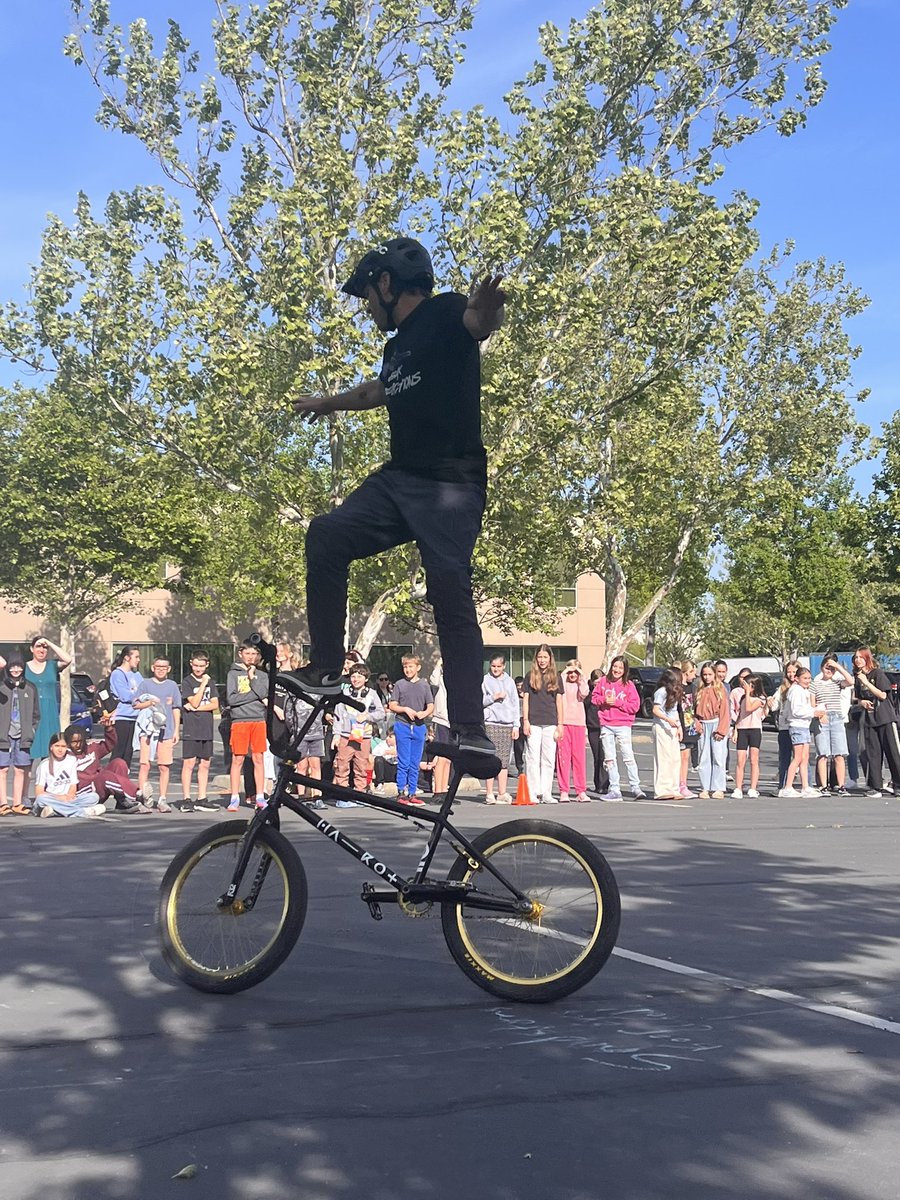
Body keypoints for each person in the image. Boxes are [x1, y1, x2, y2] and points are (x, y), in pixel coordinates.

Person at [291, 238, 505, 761]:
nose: (367, 308)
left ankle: (471, 730)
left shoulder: (446, 311)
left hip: (452, 482)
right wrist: (326, 403)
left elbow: (476, 323)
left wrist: (487, 312)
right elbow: (376, 392)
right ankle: (326, 668)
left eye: (368, 295)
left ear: (387, 284)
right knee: (326, 534)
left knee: (449, 586)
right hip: (401, 480)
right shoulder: (396, 349)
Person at [64, 720, 150, 813]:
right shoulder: (66, 757)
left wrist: (108, 729)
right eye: (74, 742)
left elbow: (110, 744)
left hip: (100, 787)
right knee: (105, 776)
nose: (78, 745)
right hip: (86, 794)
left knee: (119, 763)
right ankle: (137, 794)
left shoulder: (91, 748)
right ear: (68, 743)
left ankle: (122, 802)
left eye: (81, 741)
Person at [332, 663, 385, 806]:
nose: (356, 679)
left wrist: (367, 716)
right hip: (346, 735)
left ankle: (360, 794)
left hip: (364, 736)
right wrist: (336, 735)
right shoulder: (344, 694)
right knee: (342, 765)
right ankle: (342, 796)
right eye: (353, 676)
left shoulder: (372, 694)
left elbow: (381, 713)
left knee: (361, 766)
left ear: (366, 678)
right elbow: (338, 715)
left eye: (359, 676)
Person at [592, 657, 643, 802]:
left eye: (621, 668)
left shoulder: (629, 685)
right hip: (606, 724)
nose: (617, 670)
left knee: (628, 756)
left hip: (623, 725)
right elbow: (594, 698)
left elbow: (635, 706)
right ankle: (614, 789)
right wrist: (604, 700)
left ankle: (635, 787)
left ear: (625, 670)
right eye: (615, 666)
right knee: (609, 758)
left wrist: (618, 702)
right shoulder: (603, 682)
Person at [226, 640, 269, 812]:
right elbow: (232, 699)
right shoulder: (233, 674)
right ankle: (234, 797)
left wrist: (252, 679)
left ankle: (260, 796)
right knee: (238, 759)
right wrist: (255, 695)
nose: (251, 657)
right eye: (247, 653)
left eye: (254, 654)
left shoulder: (262, 675)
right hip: (240, 720)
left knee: (258, 758)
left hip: (258, 720)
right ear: (240, 654)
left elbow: (264, 693)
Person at [852, 647, 900, 797]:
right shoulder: (858, 677)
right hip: (869, 719)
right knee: (873, 753)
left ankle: (898, 784)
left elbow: (883, 695)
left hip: (885, 718)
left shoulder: (877, 674)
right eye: (856, 657)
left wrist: (866, 682)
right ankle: (875, 786)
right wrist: (861, 702)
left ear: (867, 658)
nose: (858, 660)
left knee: (892, 752)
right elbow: (857, 698)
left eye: (861, 657)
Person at [136, 657, 182, 812]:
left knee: (164, 766)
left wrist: (176, 730)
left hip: (166, 732)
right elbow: (135, 704)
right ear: (152, 667)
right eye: (158, 666)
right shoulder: (145, 684)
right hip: (148, 732)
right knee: (145, 764)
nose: (161, 669)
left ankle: (162, 799)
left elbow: (176, 708)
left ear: (169, 669)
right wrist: (149, 703)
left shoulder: (172, 686)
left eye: (164, 667)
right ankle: (143, 796)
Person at [388, 654, 434, 805]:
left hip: (419, 726)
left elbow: (430, 706)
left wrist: (424, 713)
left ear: (418, 667)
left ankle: (412, 792)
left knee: (415, 762)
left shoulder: (424, 685)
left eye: (411, 666)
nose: (408, 670)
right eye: (405, 667)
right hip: (403, 725)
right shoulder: (400, 684)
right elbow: (392, 705)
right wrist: (405, 709)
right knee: (404, 761)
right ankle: (401, 792)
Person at [179, 652, 221, 813]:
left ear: (207, 665)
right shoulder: (187, 682)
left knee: (205, 763)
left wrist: (197, 708)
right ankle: (186, 799)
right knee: (189, 763)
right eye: (196, 665)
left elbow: (214, 704)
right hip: (192, 728)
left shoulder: (211, 682)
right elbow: (194, 701)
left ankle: (201, 798)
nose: (198, 669)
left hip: (206, 727)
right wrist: (203, 684)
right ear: (191, 663)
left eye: (201, 666)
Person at [521, 645, 564, 803]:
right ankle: (533, 792)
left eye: (545, 657)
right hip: (533, 722)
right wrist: (525, 721)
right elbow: (526, 699)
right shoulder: (530, 676)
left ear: (550, 658)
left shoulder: (556, 677)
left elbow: (559, 701)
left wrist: (560, 724)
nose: (542, 660)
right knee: (532, 757)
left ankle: (546, 792)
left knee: (548, 758)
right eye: (540, 657)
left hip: (550, 722)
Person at [21, 636, 72, 764]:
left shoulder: (52, 665)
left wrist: (49, 642)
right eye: (38, 646)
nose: (42, 649)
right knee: (27, 756)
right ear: (32, 649)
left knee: (50, 754)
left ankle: (48, 777)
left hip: (50, 713)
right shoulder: (24, 667)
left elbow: (68, 659)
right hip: (30, 713)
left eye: (45, 647)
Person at [0, 653, 40, 814]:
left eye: (19, 666)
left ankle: (17, 803)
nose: (15, 670)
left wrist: (31, 730)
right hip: (4, 735)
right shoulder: (1, 686)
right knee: (2, 769)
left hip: (23, 736)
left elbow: (36, 714)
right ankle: (3, 803)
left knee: (20, 769)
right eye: (12, 666)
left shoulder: (30, 687)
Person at [33, 732, 105, 818]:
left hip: (68, 799)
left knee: (94, 797)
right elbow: (39, 792)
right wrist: (59, 798)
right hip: (52, 799)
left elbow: (73, 784)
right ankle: (81, 812)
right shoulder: (44, 765)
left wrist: (69, 796)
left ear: (67, 747)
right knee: (41, 799)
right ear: (51, 747)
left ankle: (55, 811)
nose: (60, 750)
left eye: (63, 746)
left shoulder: (71, 760)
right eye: (57, 746)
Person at [780, 667, 826, 798]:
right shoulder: (795, 691)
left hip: (804, 726)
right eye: (805, 678)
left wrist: (817, 709)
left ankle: (806, 787)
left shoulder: (803, 691)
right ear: (797, 679)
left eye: (809, 678)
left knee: (804, 758)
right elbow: (796, 711)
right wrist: (813, 712)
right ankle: (787, 787)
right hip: (797, 726)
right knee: (798, 757)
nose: (808, 681)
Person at [812, 655, 854, 796]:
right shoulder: (815, 683)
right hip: (822, 718)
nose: (829, 670)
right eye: (827, 667)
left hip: (836, 718)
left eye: (831, 668)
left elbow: (850, 681)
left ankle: (841, 786)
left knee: (839, 754)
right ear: (821, 668)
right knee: (823, 754)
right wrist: (820, 713)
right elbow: (812, 703)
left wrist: (837, 666)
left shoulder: (837, 683)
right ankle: (823, 786)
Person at [481, 654, 520, 804]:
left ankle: (502, 792)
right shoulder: (485, 680)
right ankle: (489, 793)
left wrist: (516, 725)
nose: (496, 669)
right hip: (491, 723)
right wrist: (493, 697)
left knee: (504, 760)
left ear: (504, 666)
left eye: (499, 666)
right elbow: (479, 700)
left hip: (507, 724)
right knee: (490, 758)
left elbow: (515, 704)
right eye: (493, 666)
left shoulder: (509, 682)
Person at [554, 660, 590, 803]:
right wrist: (565, 672)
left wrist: (581, 676)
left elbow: (585, 692)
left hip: (579, 724)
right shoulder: (563, 683)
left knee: (579, 758)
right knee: (563, 758)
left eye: (576, 672)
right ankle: (564, 790)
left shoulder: (581, 684)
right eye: (571, 671)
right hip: (564, 723)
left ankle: (581, 791)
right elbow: (558, 687)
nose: (573, 674)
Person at [693, 662, 729, 799]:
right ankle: (705, 787)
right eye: (704, 674)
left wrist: (721, 730)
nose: (707, 677)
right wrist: (697, 722)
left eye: (709, 674)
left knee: (718, 757)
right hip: (703, 725)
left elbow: (725, 711)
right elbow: (695, 710)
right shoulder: (700, 689)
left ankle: (718, 787)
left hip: (716, 723)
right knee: (704, 757)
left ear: (714, 674)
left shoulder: (720, 690)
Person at [730, 673, 767, 799]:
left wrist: (747, 693)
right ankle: (738, 788)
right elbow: (740, 714)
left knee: (753, 759)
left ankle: (753, 788)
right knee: (740, 760)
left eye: (747, 685)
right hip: (742, 729)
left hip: (754, 729)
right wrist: (735, 729)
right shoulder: (743, 698)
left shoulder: (760, 699)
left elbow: (749, 708)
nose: (744, 687)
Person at [109, 646, 144, 768]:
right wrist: (140, 697)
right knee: (119, 751)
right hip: (122, 717)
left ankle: (124, 776)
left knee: (129, 751)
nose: (138, 660)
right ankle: (112, 775)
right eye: (136, 657)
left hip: (135, 717)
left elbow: (145, 691)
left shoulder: (137, 675)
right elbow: (125, 696)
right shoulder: (117, 674)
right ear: (126, 658)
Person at [651, 668, 683, 801]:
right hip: (661, 727)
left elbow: (675, 711)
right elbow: (656, 710)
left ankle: (674, 788)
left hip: (672, 727)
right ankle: (662, 790)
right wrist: (667, 720)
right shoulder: (661, 692)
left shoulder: (675, 692)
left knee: (675, 759)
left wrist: (679, 727)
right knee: (664, 758)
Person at [769, 662, 800, 792]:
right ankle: (783, 785)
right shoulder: (782, 689)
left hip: (799, 727)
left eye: (794, 672)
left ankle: (806, 785)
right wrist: (769, 701)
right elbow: (774, 706)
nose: (791, 674)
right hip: (785, 728)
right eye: (789, 672)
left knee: (801, 758)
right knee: (784, 758)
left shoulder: (803, 687)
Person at [428, 659, 452, 801]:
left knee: (448, 758)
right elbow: (433, 681)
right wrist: (438, 664)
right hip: (441, 719)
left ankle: (444, 790)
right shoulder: (440, 676)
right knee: (440, 757)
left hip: (453, 721)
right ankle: (437, 791)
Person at [584, 670, 610, 797]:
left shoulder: (606, 692)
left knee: (605, 756)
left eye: (600, 682)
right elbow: (586, 704)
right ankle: (598, 783)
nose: (598, 685)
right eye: (596, 682)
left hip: (605, 726)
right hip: (592, 727)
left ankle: (605, 784)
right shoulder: (588, 693)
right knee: (597, 756)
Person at [676, 660, 699, 800]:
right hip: (680, 724)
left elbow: (694, 706)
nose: (695, 676)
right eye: (693, 673)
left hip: (690, 725)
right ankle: (677, 783)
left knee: (686, 756)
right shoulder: (677, 687)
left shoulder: (693, 688)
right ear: (686, 672)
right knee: (678, 757)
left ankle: (683, 784)